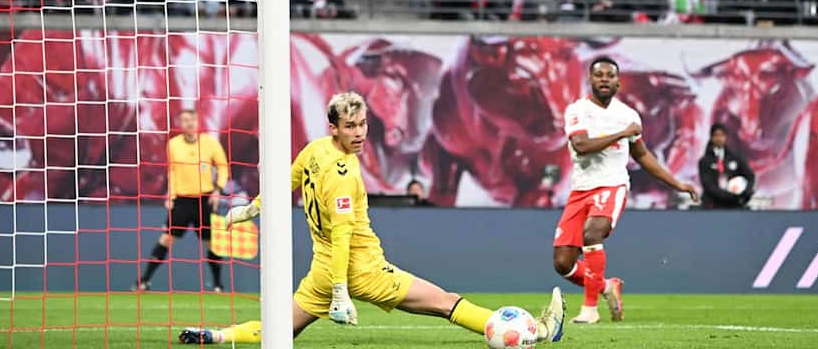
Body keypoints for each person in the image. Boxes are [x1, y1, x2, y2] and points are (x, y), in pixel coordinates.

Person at [211, 93, 567, 342]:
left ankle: (216, 335)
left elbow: (284, 183)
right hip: (362, 270)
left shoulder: (313, 150)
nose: (360, 132)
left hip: (323, 269)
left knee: (280, 332)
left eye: (363, 124)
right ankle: (537, 331)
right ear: (333, 127)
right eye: (350, 126)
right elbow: (342, 236)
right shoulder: (343, 175)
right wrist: (340, 292)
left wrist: (251, 208)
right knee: (446, 302)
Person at [554, 58, 698, 324]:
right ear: (591, 80)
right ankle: (607, 286)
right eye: (599, 75)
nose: (605, 79)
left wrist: (677, 183)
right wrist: (622, 134)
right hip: (580, 189)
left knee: (592, 232)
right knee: (563, 263)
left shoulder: (629, 115)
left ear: (619, 82)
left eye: (610, 75)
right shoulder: (577, 110)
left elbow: (642, 156)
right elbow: (582, 145)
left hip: (612, 184)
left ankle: (590, 310)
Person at [135, 109, 229, 293]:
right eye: (185, 120)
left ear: (197, 122)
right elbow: (172, 171)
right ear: (180, 124)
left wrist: (218, 190)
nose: (189, 124)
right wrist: (170, 195)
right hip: (182, 201)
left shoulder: (210, 143)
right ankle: (144, 281)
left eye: (192, 120)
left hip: (205, 200)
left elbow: (223, 167)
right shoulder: (173, 144)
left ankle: (218, 285)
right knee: (165, 239)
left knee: (211, 242)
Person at [697, 123, 756, 209]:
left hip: (734, 206)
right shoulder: (704, 161)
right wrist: (730, 196)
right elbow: (709, 185)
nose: (719, 138)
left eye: (722, 135)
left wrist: (745, 192)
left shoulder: (735, 157)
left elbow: (750, 176)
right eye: (716, 135)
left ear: (725, 137)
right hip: (712, 206)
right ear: (711, 137)